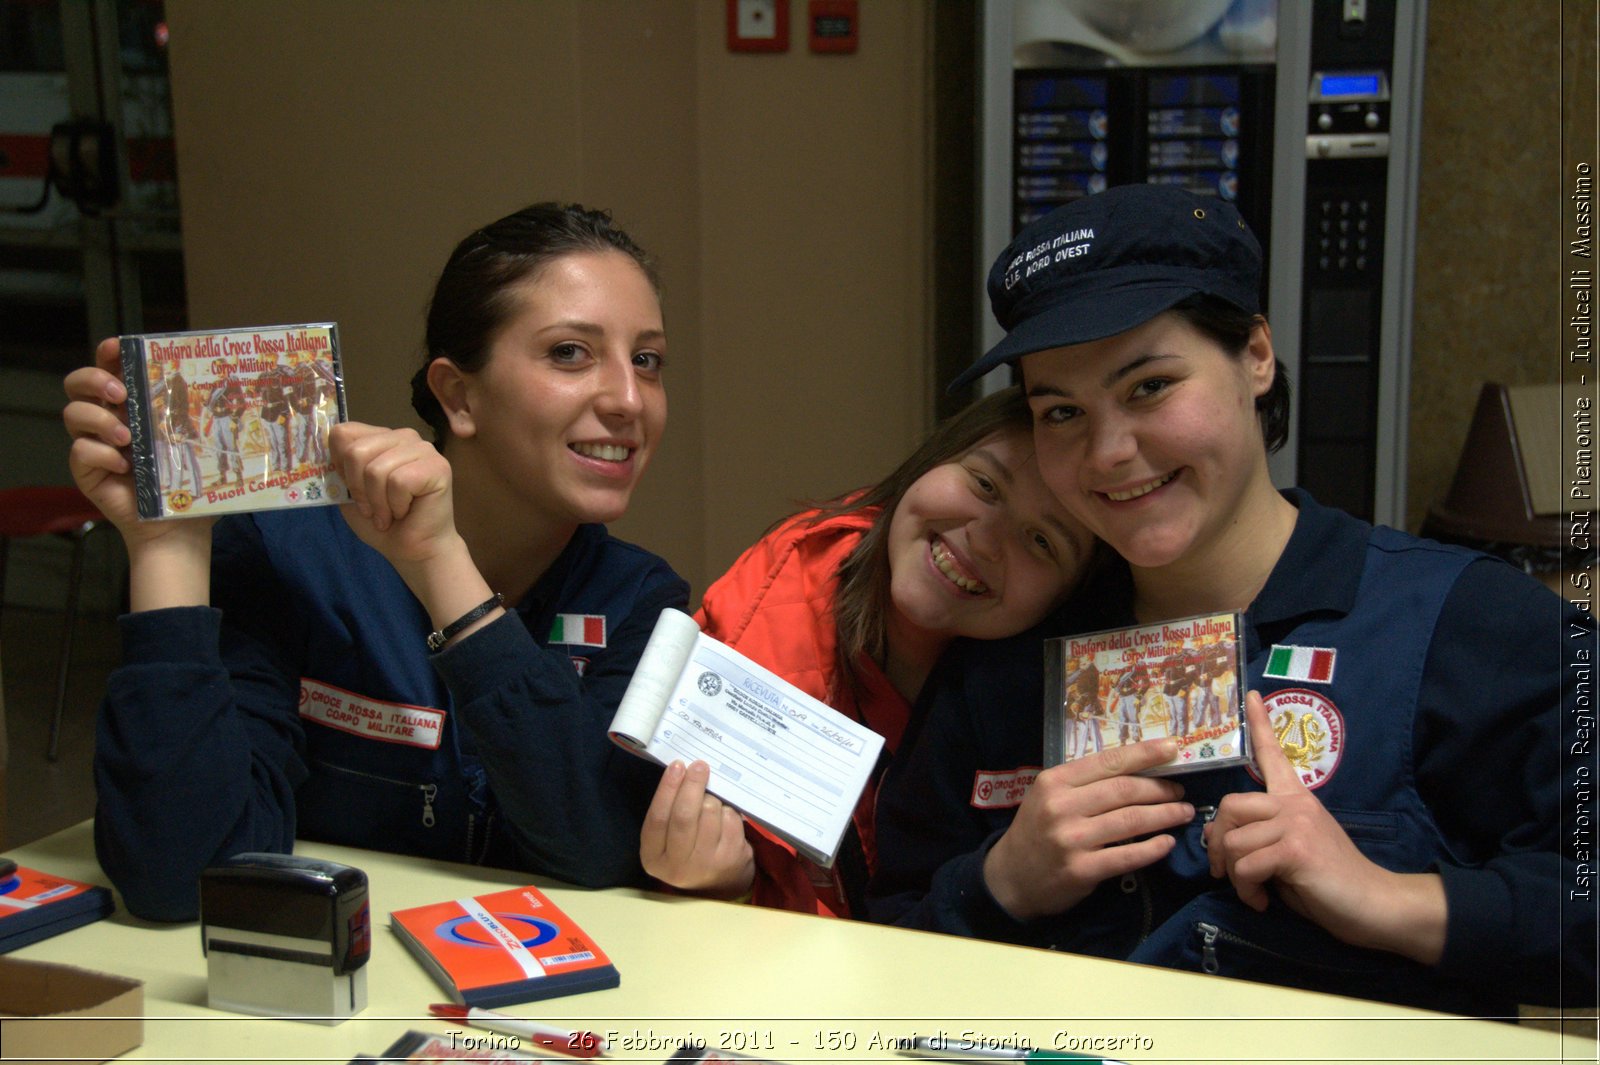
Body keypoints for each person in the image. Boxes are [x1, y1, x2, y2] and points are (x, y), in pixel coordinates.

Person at [868, 183, 1595, 1015]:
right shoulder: (1008, 664)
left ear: (1255, 354)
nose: (1108, 452)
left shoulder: (1468, 625)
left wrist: (1391, 900)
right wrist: (1001, 884)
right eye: (1061, 410)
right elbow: (881, 943)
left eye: (1148, 387)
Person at [63, 202, 687, 922]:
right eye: (570, 353)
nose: (629, 399)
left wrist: (441, 563)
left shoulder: (643, 599)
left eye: (647, 360)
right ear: (457, 394)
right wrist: (165, 545)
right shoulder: (287, 561)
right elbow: (177, 876)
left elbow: (597, 846)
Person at [638, 387, 1097, 917]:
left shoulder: (1064, 713)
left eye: (1042, 542)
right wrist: (720, 889)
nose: (987, 540)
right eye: (985, 484)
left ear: (1069, 599)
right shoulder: (775, 598)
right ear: (930, 460)